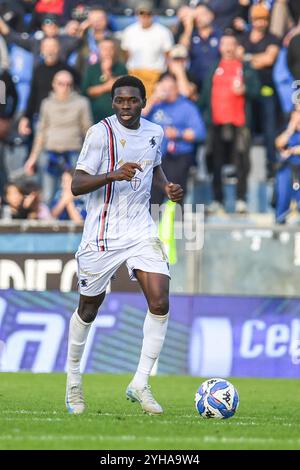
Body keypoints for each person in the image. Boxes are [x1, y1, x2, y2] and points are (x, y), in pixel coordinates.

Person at [66, 75, 183, 415]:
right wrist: (112, 175)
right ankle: (73, 379)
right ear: (113, 102)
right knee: (89, 308)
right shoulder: (100, 134)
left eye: (133, 100)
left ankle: (141, 382)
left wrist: (166, 187)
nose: (126, 106)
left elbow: (154, 166)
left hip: (140, 230)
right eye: (120, 100)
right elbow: (76, 185)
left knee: (160, 300)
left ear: (143, 103)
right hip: (101, 234)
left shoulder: (154, 132)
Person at [200, 32, 261, 214]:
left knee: (241, 162)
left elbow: (256, 91)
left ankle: (241, 200)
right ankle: (217, 200)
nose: (227, 48)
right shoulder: (214, 68)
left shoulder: (245, 68)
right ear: (220, 47)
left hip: (239, 123)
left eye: (231, 44)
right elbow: (204, 96)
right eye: (224, 44)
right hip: (216, 123)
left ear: (236, 47)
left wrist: (245, 89)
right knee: (215, 161)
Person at [24, 70, 92, 203]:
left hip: (73, 154)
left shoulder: (82, 103)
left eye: (68, 84)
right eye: (61, 84)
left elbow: (88, 131)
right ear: (54, 84)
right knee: (48, 195)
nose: (65, 87)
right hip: (51, 154)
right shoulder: (47, 104)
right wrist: (33, 158)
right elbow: (41, 132)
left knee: (76, 196)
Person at [145, 72, 206, 205]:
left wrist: (178, 133)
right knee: (154, 194)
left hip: (179, 155)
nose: (166, 92)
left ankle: (177, 220)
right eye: (163, 88)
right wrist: (153, 98)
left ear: (176, 88)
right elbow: (136, 122)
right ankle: (154, 221)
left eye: (170, 88)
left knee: (176, 192)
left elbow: (200, 133)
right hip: (157, 156)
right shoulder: (154, 106)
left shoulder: (187, 107)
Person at [121, 1, 174, 97]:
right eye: (142, 13)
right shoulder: (129, 31)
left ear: (153, 15)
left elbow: (168, 54)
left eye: (148, 14)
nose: (145, 16)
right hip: (135, 73)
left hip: (156, 74)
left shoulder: (163, 32)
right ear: (137, 15)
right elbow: (125, 53)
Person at [82, 37, 127, 123]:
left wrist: (107, 72)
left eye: (111, 49)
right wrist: (106, 87)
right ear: (99, 50)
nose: (108, 52)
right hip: (95, 116)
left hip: (116, 115)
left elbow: (123, 90)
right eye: (104, 49)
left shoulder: (121, 68)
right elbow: (86, 91)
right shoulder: (92, 69)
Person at [274, 104, 300, 223]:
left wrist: (293, 150)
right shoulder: (288, 129)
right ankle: (280, 223)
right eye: (296, 111)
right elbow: (279, 143)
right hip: (288, 168)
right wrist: (291, 127)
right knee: (283, 197)